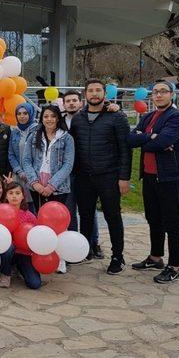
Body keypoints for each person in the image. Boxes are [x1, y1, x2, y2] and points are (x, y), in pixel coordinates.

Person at [69, 79, 132, 275]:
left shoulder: (117, 117)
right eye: (90, 91)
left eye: (98, 90)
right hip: (84, 177)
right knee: (86, 215)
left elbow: (125, 149)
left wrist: (124, 177)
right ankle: (85, 250)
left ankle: (117, 257)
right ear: (85, 94)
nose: (94, 94)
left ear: (105, 94)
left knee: (112, 216)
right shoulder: (78, 119)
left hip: (109, 176)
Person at [128, 80, 179, 283]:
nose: (159, 95)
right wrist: (151, 136)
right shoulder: (147, 117)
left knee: (172, 222)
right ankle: (155, 257)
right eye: (155, 92)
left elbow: (163, 141)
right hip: (150, 176)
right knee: (153, 218)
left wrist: (151, 139)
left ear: (171, 94)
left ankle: (174, 266)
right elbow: (131, 139)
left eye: (163, 91)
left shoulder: (177, 117)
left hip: (169, 176)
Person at [22, 104, 75, 274]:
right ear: (41, 118)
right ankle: (41, 254)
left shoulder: (66, 138)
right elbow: (26, 162)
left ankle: (60, 259)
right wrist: (35, 182)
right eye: (46, 116)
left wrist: (52, 185)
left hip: (58, 187)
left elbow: (68, 164)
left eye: (52, 116)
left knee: (58, 224)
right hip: (37, 184)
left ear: (58, 118)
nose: (49, 119)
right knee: (40, 222)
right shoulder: (33, 136)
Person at [62, 90, 103, 259]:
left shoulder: (88, 118)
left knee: (88, 210)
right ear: (63, 104)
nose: (71, 103)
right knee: (70, 211)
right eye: (68, 101)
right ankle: (75, 245)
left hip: (85, 172)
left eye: (74, 100)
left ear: (80, 102)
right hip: (67, 174)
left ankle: (94, 243)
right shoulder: (59, 122)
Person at [0, 181, 41, 290]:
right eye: (11, 193)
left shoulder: (30, 216)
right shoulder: (0, 212)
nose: (14, 196)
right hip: (6, 251)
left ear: (23, 196)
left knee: (34, 284)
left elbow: (36, 237)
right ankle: (6, 274)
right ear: (6, 196)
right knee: (7, 247)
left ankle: (19, 268)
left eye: (17, 193)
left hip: (24, 253)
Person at [8, 102, 38, 211]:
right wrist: (19, 171)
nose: (22, 116)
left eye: (25, 113)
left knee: (34, 207)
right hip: (19, 176)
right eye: (19, 114)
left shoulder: (38, 130)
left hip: (34, 176)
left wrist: (29, 173)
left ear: (30, 114)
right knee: (19, 205)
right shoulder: (15, 132)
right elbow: (11, 154)